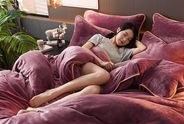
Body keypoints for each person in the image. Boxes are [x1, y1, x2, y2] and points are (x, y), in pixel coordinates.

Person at [17, 22, 146, 115]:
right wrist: (101, 62)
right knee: (104, 75)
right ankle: (53, 92)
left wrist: (135, 39)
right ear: (118, 29)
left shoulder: (124, 52)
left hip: (93, 77)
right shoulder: (100, 38)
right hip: (84, 64)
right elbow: (84, 49)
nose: (124, 39)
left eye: (128, 39)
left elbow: (142, 48)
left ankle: (41, 110)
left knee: (94, 90)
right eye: (124, 34)